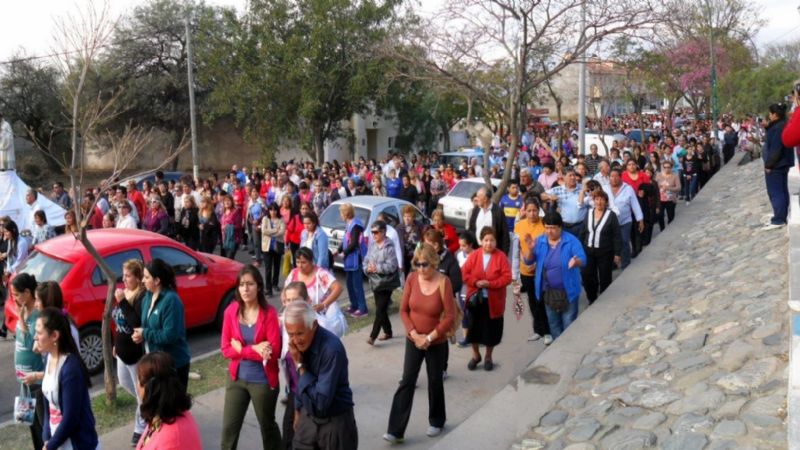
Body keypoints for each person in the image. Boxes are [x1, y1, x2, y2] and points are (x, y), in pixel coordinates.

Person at [384, 244, 455, 443]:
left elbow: (449, 317)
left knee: (434, 381)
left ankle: (437, 420)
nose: (420, 268)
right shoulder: (412, 279)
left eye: (424, 264)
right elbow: (404, 310)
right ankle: (395, 430)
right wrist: (414, 334)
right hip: (413, 339)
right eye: (417, 264)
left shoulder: (444, 282)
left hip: (436, 341)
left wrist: (430, 337)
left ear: (433, 263)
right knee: (407, 381)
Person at [220, 265, 282, 450]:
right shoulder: (231, 311)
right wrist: (254, 349)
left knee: (267, 427)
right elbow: (225, 349)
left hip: (262, 382)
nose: (245, 289)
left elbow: (273, 353)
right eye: (241, 285)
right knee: (228, 430)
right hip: (236, 379)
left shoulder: (269, 313)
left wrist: (242, 349)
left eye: (250, 284)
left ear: (259, 287)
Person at [284, 300, 358, 450]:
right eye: (290, 334)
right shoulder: (296, 346)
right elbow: (299, 383)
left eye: (299, 333)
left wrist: (300, 365)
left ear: (314, 325)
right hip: (308, 416)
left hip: (335, 421)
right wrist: (298, 409)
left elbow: (321, 403)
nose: (295, 340)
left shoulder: (331, 350)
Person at [36, 307, 98, 450]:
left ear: (54, 336)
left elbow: (71, 418)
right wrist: (46, 437)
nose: (35, 337)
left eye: (39, 333)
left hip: (76, 443)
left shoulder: (70, 370)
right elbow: (48, 407)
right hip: (57, 440)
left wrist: (51, 445)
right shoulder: (48, 358)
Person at [132, 259, 192, 391]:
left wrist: (145, 333)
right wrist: (142, 336)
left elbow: (170, 335)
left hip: (173, 366)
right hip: (154, 364)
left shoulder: (171, 300)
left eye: (146, 277)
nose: (142, 280)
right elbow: (148, 326)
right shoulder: (147, 296)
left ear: (157, 280)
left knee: (173, 408)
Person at [527, 212, 586, 340]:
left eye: (553, 228)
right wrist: (530, 250)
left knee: (569, 323)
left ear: (560, 227)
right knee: (554, 324)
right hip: (548, 292)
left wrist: (576, 261)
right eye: (547, 227)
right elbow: (528, 262)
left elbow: (582, 258)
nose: (550, 231)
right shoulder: (540, 241)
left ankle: (569, 350)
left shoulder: (571, 240)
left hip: (568, 291)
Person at [461, 227, 512, 371]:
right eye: (486, 240)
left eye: (492, 240)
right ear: (481, 241)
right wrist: (476, 282)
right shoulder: (475, 255)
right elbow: (464, 273)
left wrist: (490, 284)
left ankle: (489, 356)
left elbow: (507, 277)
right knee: (473, 329)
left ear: (496, 241)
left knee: (491, 331)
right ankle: (476, 355)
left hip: (493, 301)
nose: (489, 243)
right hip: (475, 300)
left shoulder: (501, 256)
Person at [135, 352, 201, 449]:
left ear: (149, 389)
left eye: (138, 380)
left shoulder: (171, 439)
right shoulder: (164, 414)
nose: (137, 385)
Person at [113, 259, 147, 446]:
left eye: (128, 276)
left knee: (140, 392)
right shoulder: (124, 293)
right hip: (121, 351)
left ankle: (140, 428)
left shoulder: (140, 296)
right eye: (123, 275)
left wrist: (123, 302)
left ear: (138, 277)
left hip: (135, 354)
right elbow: (118, 321)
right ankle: (148, 406)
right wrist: (115, 344)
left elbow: (136, 323)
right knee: (125, 383)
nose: (124, 279)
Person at [12, 273, 45, 449]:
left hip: (36, 381)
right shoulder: (23, 310)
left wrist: (21, 321)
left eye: (17, 294)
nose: (14, 298)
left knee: (42, 427)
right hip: (24, 382)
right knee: (29, 424)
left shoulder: (38, 315)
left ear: (27, 292)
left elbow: (34, 343)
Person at [422, 229, 462, 378]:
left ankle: (442, 368)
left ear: (437, 245)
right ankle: (412, 371)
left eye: (429, 244)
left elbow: (457, 283)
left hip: (443, 308)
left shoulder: (449, 260)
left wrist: (440, 288)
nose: (426, 247)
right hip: (425, 305)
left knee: (440, 338)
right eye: (424, 244)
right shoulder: (423, 258)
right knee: (421, 336)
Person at [513, 197, 551, 345]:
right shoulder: (519, 226)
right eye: (529, 210)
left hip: (541, 270)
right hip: (525, 270)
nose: (532, 213)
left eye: (535, 210)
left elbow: (549, 249)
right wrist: (516, 271)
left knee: (542, 300)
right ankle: (538, 330)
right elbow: (516, 249)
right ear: (525, 211)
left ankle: (548, 331)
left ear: (539, 210)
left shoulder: (544, 225)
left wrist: (537, 264)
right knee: (532, 301)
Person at [284, 248, 347, 337]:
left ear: (311, 261)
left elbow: (338, 288)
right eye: (298, 262)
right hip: (298, 318)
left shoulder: (321, 274)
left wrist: (324, 304)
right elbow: (285, 291)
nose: (300, 266)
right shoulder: (293, 273)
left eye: (303, 262)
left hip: (319, 319)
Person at [579, 190, 621, 305]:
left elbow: (617, 235)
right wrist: (579, 250)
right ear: (593, 200)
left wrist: (617, 253)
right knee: (587, 276)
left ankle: (603, 300)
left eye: (602, 199)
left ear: (606, 201)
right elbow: (583, 232)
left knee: (605, 277)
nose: (599, 202)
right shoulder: (589, 213)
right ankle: (592, 298)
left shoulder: (611, 216)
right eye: (597, 199)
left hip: (605, 252)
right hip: (588, 251)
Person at [364, 220, 400, 346]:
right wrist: (367, 268)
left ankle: (372, 336)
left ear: (383, 232)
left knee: (379, 310)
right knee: (381, 309)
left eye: (376, 232)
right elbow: (366, 260)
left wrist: (376, 268)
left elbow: (392, 266)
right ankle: (388, 331)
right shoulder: (372, 245)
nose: (374, 235)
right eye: (372, 232)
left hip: (387, 283)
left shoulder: (389, 247)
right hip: (375, 282)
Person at [603, 168, 643, 269]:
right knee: (610, 244)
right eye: (612, 176)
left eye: (616, 176)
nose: (614, 178)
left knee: (624, 242)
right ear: (609, 178)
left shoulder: (628, 188)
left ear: (620, 177)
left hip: (625, 221)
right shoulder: (604, 189)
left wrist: (640, 220)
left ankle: (626, 265)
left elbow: (635, 205)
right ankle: (613, 264)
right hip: (609, 222)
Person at [762, 103, 794, 230]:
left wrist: (769, 164)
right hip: (781, 164)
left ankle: (779, 219)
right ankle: (780, 214)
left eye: (770, 113)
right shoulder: (781, 125)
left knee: (776, 192)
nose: (769, 116)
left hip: (776, 165)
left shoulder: (778, 128)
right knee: (781, 190)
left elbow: (776, 149)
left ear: (775, 114)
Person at [336, 203, 367, 317]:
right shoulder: (348, 224)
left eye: (341, 213)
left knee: (357, 284)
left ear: (346, 213)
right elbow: (345, 239)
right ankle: (354, 305)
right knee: (349, 284)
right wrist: (338, 250)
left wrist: (345, 252)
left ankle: (362, 308)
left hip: (355, 258)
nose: (340, 215)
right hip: (349, 259)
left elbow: (354, 242)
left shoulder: (356, 225)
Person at [467, 187, 509, 254]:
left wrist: (504, 254)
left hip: (493, 251)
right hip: (477, 249)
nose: (476, 199)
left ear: (485, 199)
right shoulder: (476, 210)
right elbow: (471, 229)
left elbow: (504, 234)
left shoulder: (498, 212)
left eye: (478, 197)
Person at [262, 203, 286, 297]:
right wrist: (276, 230)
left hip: (277, 246)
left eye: (275, 210)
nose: (273, 212)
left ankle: (275, 284)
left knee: (276, 266)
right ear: (268, 210)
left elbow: (282, 232)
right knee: (268, 268)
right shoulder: (265, 219)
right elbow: (264, 231)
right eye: (271, 210)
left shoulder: (281, 219)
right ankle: (268, 289)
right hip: (267, 247)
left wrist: (271, 232)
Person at [655, 161, 680, 231]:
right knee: (660, 215)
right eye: (665, 167)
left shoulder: (675, 176)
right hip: (660, 199)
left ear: (671, 168)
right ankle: (662, 229)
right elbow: (654, 185)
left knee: (671, 217)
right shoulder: (659, 175)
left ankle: (669, 230)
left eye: (668, 167)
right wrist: (658, 186)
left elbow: (678, 188)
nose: (666, 169)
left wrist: (668, 188)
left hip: (671, 200)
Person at [221, 194, 243, 259]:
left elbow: (239, 226)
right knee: (228, 259)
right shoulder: (224, 213)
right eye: (225, 201)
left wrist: (228, 226)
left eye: (228, 200)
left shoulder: (235, 212)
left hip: (234, 239)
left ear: (232, 202)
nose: (227, 202)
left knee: (229, 258)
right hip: (225, 239)